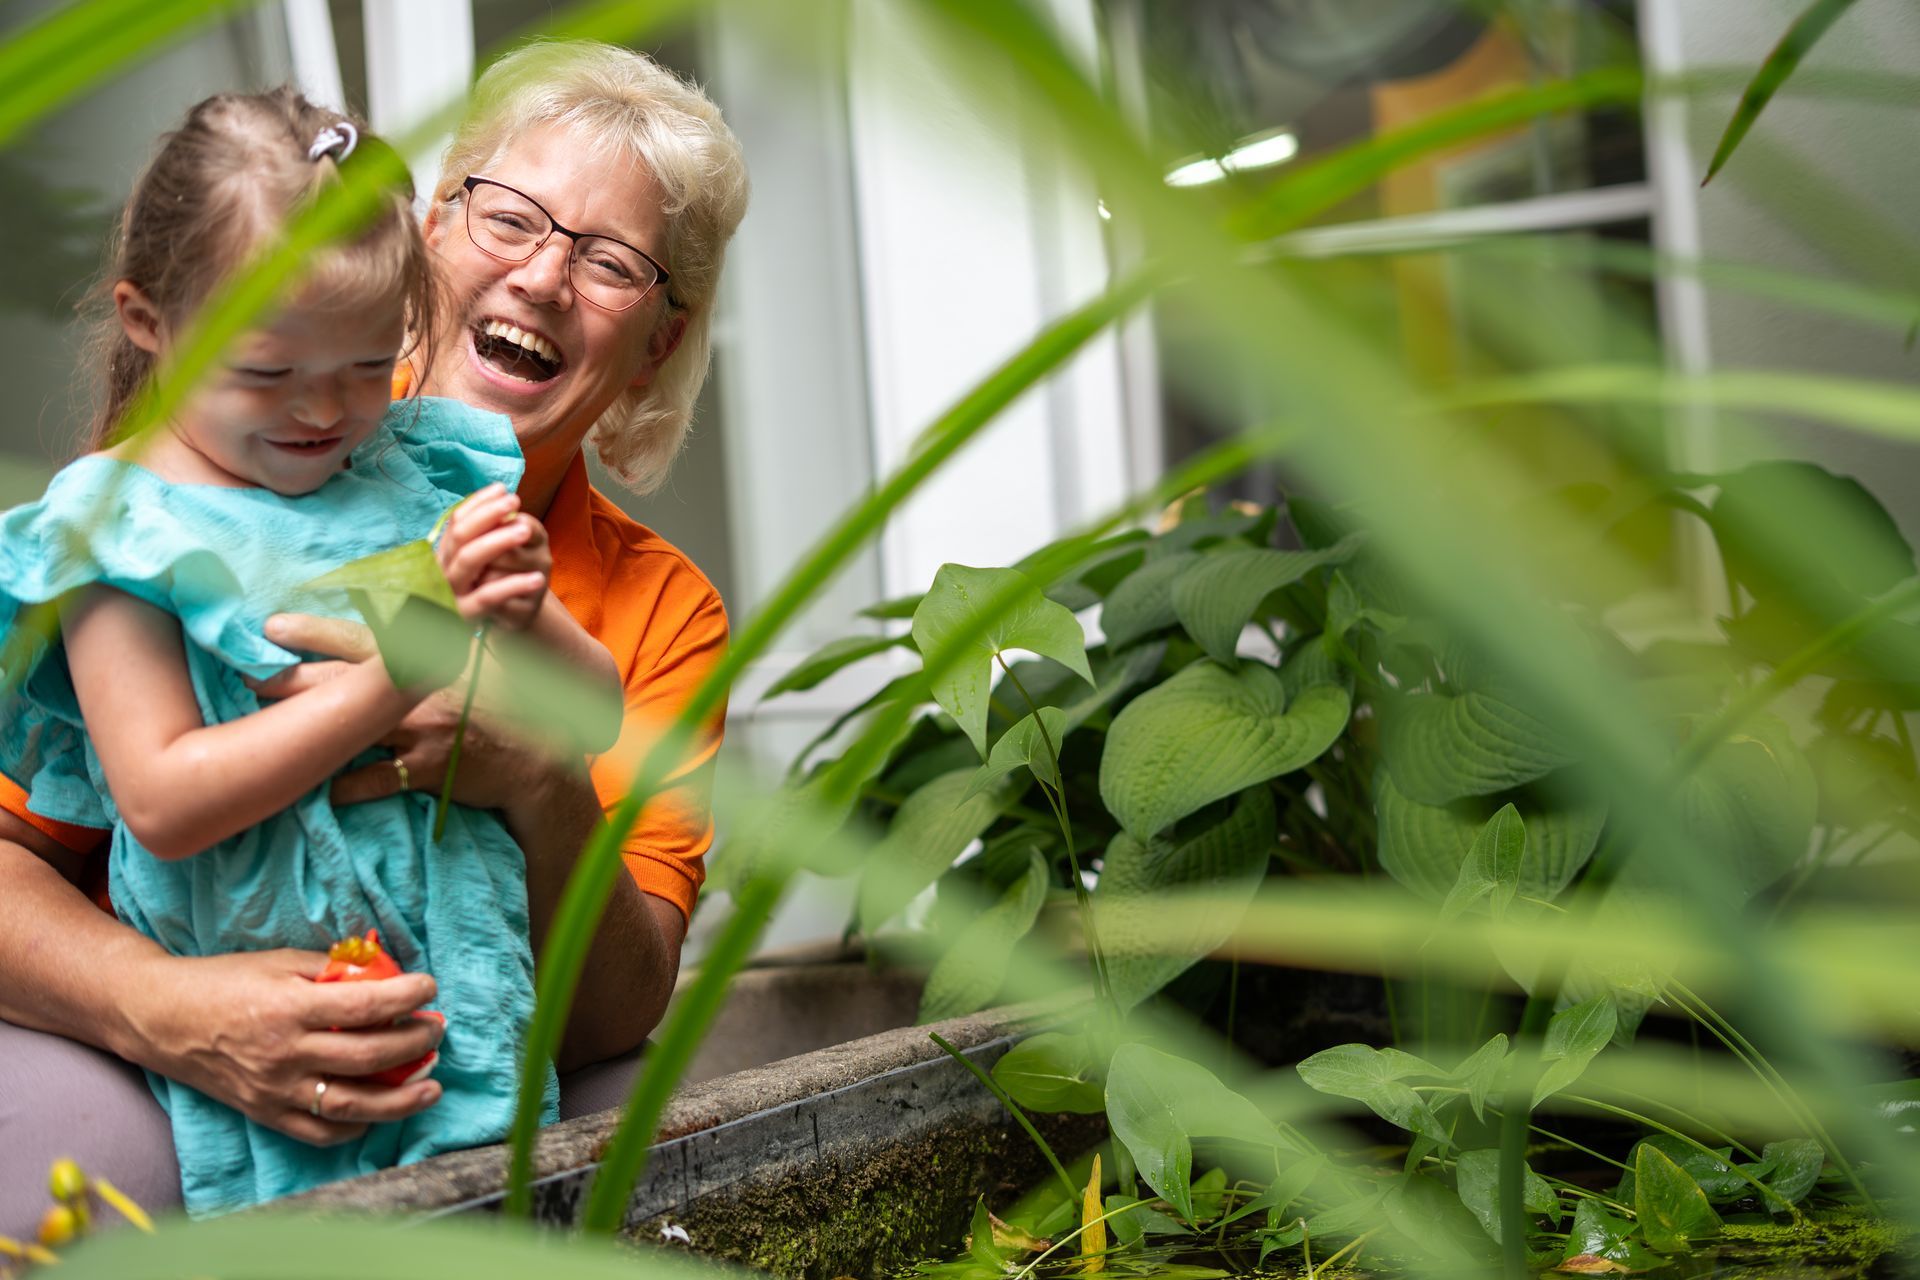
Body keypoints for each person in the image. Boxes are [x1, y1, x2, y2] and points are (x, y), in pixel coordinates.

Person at [0, 41, 748, 1229]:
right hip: (176, 1037)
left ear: (658, 341)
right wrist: (172, 1008)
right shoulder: (174, 509)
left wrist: (542, 776)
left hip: (468, 1053)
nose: (547, 276)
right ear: (428, 239)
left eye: (612, 261)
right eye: (510, 215)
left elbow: (616, 1014)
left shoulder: (652, 602)